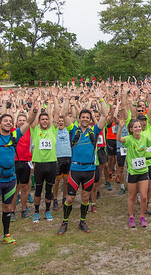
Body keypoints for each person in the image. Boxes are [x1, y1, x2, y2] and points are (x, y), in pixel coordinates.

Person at [0, 91, 33, 254]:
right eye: (5, 121)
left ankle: (6, 234)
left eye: (10, 121)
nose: (9, 123)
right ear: (0, 123)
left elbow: (29, 121)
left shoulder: (15, 135)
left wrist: (35, 110)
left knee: (7, 208)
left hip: (11, 179)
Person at [58, 92, 108, 235]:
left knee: (85, 197)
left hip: (89, 170)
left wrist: (101, 99)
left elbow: (104, 115)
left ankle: (82, 221)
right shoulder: (73, 129)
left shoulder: (94, 130)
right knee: (70, 198)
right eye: (83, 117)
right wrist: (67, 99)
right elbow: (63, 114)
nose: (85, 119)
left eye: (87, 117)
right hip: (75, 169)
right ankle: (64, 221)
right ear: (79, 119)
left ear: (89, 119)